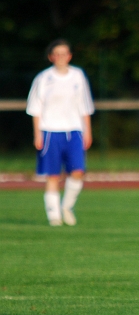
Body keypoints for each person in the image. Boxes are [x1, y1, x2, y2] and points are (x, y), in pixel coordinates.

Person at [26, 39, 94, 226]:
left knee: (77, 171)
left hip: (74, 130)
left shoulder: (78, 76)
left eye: (64, 54)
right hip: (50, 131)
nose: (61, 57)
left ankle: (67, 206)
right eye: (57, 54)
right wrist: (37, 134)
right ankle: (54, 216)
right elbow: (35, 108)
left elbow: (85, 106)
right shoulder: (43, 78)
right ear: (51, 57)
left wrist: (88, 131)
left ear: (69, 56)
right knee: (53, 175)